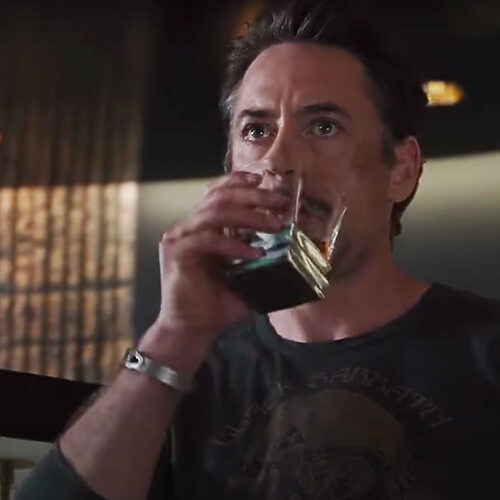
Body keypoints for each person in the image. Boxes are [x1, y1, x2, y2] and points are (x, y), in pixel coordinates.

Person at [17, 1, 500, 499]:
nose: (278, 158)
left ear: (401, 170)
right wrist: (175, 334)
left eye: (324, 126)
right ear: (231, 168)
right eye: (256, 131)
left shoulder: (483, 349)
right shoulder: (183, 374)